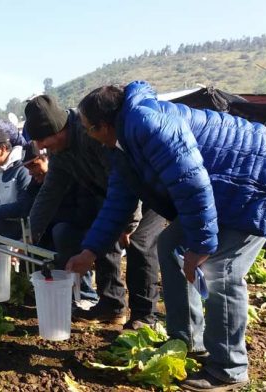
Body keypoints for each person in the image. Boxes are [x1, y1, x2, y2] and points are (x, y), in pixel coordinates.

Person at [72, 81, 266, 391]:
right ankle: (188, 340)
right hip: (226, 185)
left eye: (88, 128)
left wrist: (201, 246)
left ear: (104, 125)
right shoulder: (123, 145)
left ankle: (228, 368)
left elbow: (192, 183)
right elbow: (118, 201)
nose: (88, 135)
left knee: (221, 268)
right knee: (169, 244)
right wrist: (90, 251)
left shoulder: (147, 125)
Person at [25, 94, 165, 328]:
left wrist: (128, 225)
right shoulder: (59, 153)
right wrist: (32, 231)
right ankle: (111, 305)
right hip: (113, 197)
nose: (39, 147)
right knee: (101, 238)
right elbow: (49, 193)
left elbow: (125, 178)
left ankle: (143, 317)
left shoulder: (91, 135)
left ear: (59, 129)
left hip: (146, 191)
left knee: (139, 244)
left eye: (42, 139)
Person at [22, 143, 99, 306]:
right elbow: (26, 204)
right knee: (37, 237)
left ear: (48, 159)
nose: (31, 172)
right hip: (56, 226)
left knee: (63, 233)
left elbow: (83, 212)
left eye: (34, 165)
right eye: (27, 167)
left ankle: (85, 295)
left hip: (81, 226)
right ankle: (52, 289)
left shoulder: (72, 175)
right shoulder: (37, 181)